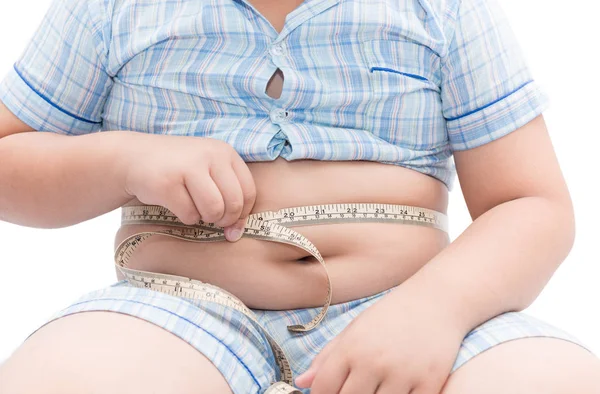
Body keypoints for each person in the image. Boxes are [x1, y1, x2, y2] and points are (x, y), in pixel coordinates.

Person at [0, 0, 598, 393]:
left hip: (409, 308)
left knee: (550, 380)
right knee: (65, 378)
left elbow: (531, 205)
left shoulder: (441, 9)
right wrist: (124, 159)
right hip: (174, 310)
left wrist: (434, 312)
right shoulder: (113, 9)